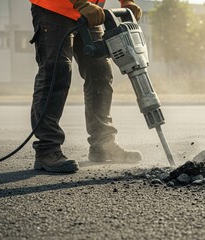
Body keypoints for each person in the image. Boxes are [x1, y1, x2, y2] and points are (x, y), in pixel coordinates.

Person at [29, 0, 143, 173]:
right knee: (56, 72)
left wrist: (127, 1)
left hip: (89, 13)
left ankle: (103, 144)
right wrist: (80, 2)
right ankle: (47, 150)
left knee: (100, 74)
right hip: (54, 9)